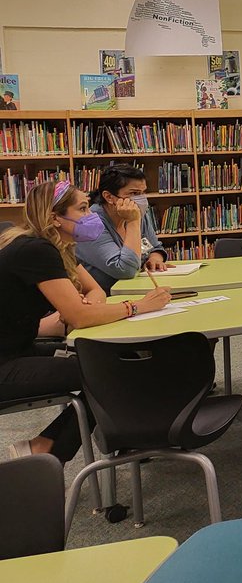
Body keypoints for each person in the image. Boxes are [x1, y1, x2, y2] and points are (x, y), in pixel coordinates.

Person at [0, 180, 171, 461]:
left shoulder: (58, 246)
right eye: (82, 209)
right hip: (5, 363)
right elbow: (79, 318)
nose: (92, 216)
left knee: (121, 356)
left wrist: (92, 305)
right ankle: (48, 447)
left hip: (19, 348)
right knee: (109, 371)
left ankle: (122, 435)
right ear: (55, 217)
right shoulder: (36, 250)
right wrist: (138, 306)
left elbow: (95, 291)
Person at [75, 164, 170, 295]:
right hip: (107, 299)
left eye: (143, 192)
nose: (141, 199)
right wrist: (133, 222)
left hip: (139, 289)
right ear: (109, 197)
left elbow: (155, 247)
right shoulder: (89, 225)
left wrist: (155, 258)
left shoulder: (138, 213)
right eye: (134, 193)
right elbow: (124, 270)